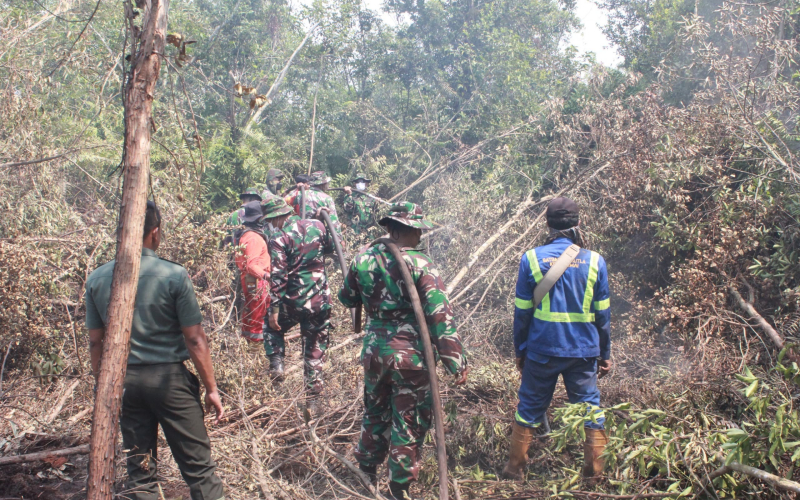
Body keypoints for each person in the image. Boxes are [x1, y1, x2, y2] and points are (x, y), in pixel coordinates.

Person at [85, 201, 225, 500]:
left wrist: (104, 386)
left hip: (125, 384)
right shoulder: (174, 275)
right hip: (169, 383)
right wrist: (211, 388)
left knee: (141, 473)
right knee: (200, 471)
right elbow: (196, 339)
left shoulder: (97, 278)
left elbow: (96, 342)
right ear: (155, 232)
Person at [338, 202, 469, 500]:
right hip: (410, 357)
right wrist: (455, 362)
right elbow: (440, 315)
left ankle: (366, 473)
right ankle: (399, 489)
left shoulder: (363, 259)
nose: (420, 238)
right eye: (417, 231)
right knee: (407, 421)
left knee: (374, 413)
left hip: (375, 355)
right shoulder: (421, 264)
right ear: (404, 230)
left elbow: (346, 298)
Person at [503, 196, 612, 483]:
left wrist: (520, 351)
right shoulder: (595, 262)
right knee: (590, 408)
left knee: (528, 408)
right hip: (583, 351)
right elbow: (603, 315)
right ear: (578, 223)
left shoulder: (530, 258)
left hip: (542, 350)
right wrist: (605, 353)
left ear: (547, 225)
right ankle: (595, 474)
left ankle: (515, 470)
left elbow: (522, 313)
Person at [259, 196, 335, 394]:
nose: (271, 225)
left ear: (276, 218)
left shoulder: (279, 239)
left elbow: (278, 277)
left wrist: (274, 309)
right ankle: (313, 399)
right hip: (320, 302)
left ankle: (277, 365)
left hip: (293, 304)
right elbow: (331, 247)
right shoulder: (318, 226)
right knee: (314, 352)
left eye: (270, 221)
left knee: (270, 326)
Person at [234, 200, 271, 343]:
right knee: (258, 312)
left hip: (251, 279)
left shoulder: (247, 235)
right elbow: (251, 265)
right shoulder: (254, 238)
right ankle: (255, 349)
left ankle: (249, 342)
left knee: (252, 311)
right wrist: (267, 276)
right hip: (257, 279)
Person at [287, 170, 343, 241]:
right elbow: (334, 222)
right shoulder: (327, 198)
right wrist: (339, 240)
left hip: (302, 234)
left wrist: (296, 189)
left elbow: (284, 201)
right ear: (323, 184)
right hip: (318, 234)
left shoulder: (300, 194)